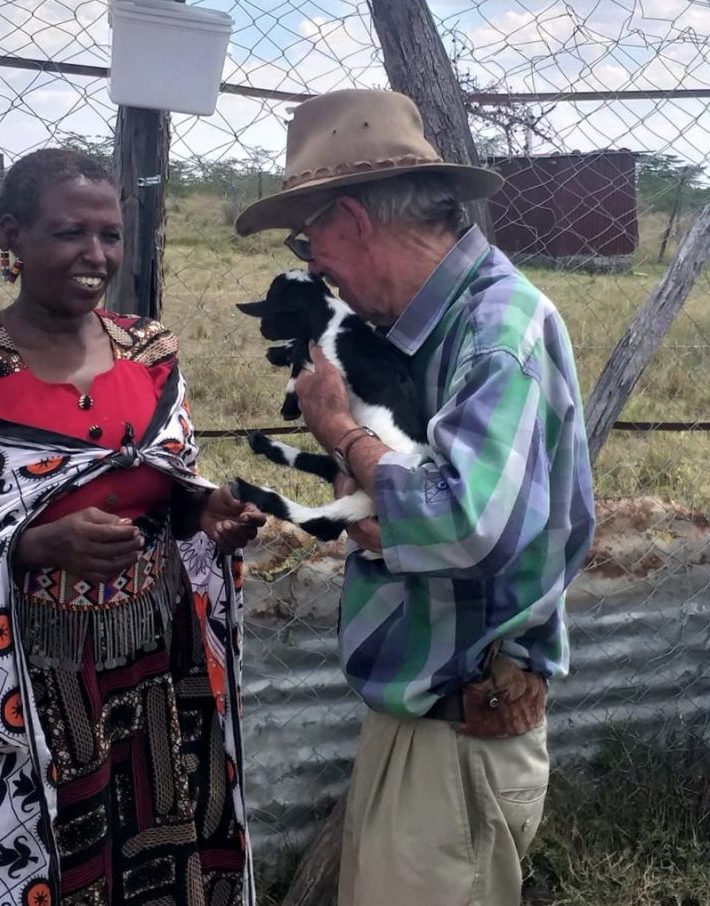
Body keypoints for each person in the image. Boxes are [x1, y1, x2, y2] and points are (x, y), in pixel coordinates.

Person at [236, 89, 595, 906]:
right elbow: (401, 515)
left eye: (310, 235)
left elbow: (464, 525)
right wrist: (377, 500)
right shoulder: (426, 332)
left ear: (355, 221)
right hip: (431, 721)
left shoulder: (496, 332)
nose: (312, 259)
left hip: (460, 737)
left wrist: (341, 434)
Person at [0, 148, 265, 906]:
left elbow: (168, 481)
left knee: (170, 817)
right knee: (59, 840)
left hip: (158, 650)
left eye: (110, 235)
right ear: (11, 238)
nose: (96, 256)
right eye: (69, 234)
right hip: (29, 663)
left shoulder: (148, 351)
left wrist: (206, 507)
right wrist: (32, 544)